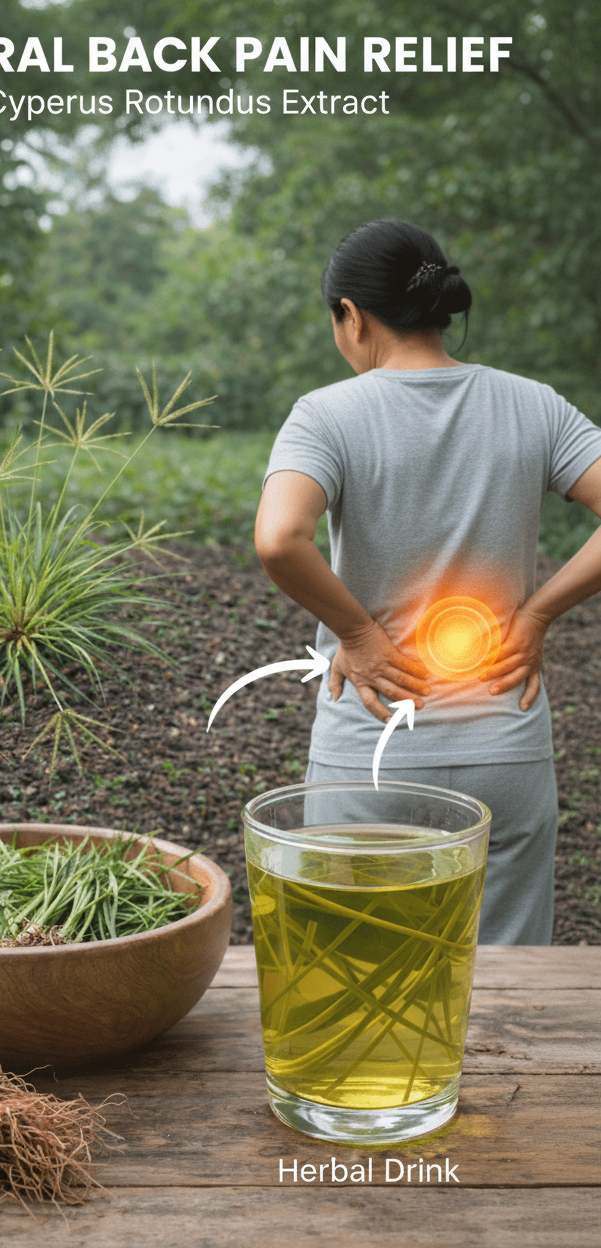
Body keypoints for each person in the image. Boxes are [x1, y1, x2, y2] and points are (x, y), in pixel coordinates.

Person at [255, 218, 601, 945]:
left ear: (351, 316)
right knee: (506, 989)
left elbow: (280, 539)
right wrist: (537, 616)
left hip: (370, 749)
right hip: (503, 744)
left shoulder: (326, 415)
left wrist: (357, 632)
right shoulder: (533, 403)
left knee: (360, 975)